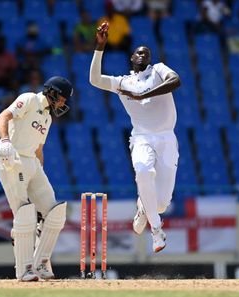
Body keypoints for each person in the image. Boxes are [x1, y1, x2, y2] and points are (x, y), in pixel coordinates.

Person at [89, 22, 181, 253]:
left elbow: (176, 81)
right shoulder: (123, 83)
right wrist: (99, 47)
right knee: (142, 170)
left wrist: (143, 95)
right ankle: (157, 231)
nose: (144, 55)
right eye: (140, 52)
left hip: (167, 138)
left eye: (147, 53)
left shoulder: (159, 70)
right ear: (132, 57)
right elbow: (94, 80)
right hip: (141, 137)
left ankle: (144, 208)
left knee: (161, 203)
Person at [0, 76, 72, 281]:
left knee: (54, 212)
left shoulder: (47, 117)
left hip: (32, 162)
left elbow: (39, 148)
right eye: (63, 98)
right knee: (25, 213)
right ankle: (24, 269)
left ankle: (42, 263)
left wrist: (40, 171)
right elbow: (2, 116)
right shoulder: (29, 99)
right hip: (12, 157)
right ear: (53, 92)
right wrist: (4, 141)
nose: (63, 103)